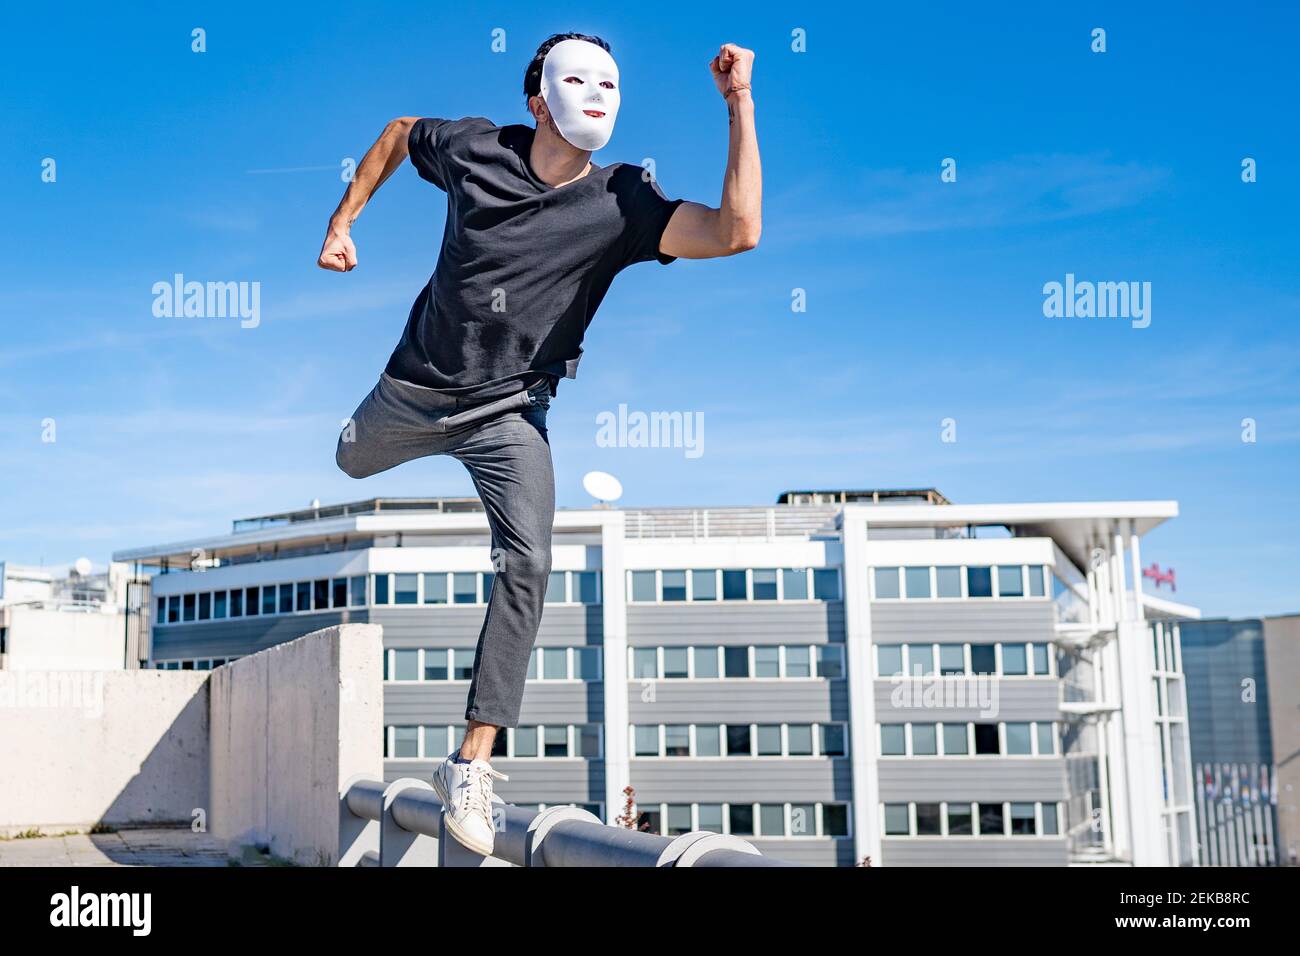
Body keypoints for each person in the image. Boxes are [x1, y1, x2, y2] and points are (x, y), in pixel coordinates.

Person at [316, 33, 761, 855]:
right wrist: (344, 221)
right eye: (577, 79)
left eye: (610, 83)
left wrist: (738, 104)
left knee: (528, 561)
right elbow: (396, 132)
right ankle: (375, 427)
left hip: (509, 412)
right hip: (414, 391)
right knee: (349, 457)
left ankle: (471, 762)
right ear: (537, 99)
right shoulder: (476, 146)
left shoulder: (624, 204)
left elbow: (738, 231)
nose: (597, 93)